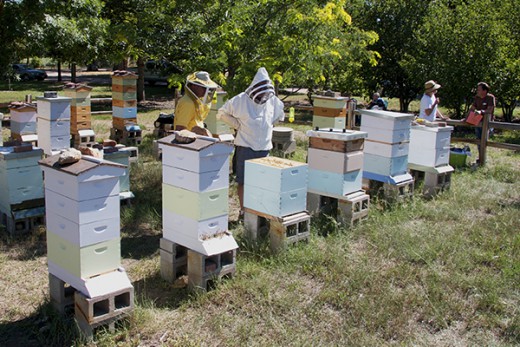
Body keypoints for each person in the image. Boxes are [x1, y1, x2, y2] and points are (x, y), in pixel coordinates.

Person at [217, 67, 285, 211]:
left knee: (262, 183)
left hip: (265, 148)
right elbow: (222, 113)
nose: (262, 98)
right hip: (245, 147)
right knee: (244, 181)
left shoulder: (272, 101)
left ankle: (258, 210)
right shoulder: (240, 100)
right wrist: (236, 124)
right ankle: (243, 210)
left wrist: (270, 124)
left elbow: (280, 115)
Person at [173, 71, 218, 136]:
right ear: (194, 86)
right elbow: (180, 130)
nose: (205, 91)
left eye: (206, 88)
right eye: (203, 87)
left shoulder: (196, 100)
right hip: (188, 143)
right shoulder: (188, 103)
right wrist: (198, 131)